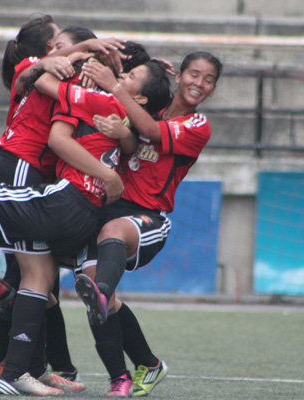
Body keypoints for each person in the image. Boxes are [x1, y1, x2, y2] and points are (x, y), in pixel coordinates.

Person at [0, 57, 170, 396]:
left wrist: (66, 60)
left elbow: (43, 87)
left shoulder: (100, 99)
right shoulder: (121, 115)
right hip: (83, 216)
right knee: (38, 278)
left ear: (139, 99)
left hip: (63, 202)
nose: (120, 75)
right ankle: (14, 374)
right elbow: (128, 144)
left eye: (130, 75)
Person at [75, 51, 223, 397]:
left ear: (213, 90)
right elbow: (133, 85)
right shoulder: (148, 106)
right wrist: (149, 65)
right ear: (180, 75)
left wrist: (114, 86)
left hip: (148, 218)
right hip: (105, 211)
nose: (199, 83)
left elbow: (149, 130)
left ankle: (101, 294)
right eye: (194, 74)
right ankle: (134, 371)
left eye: (208, 79)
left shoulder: (197, 126)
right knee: (101, 303)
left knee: (104, 273)